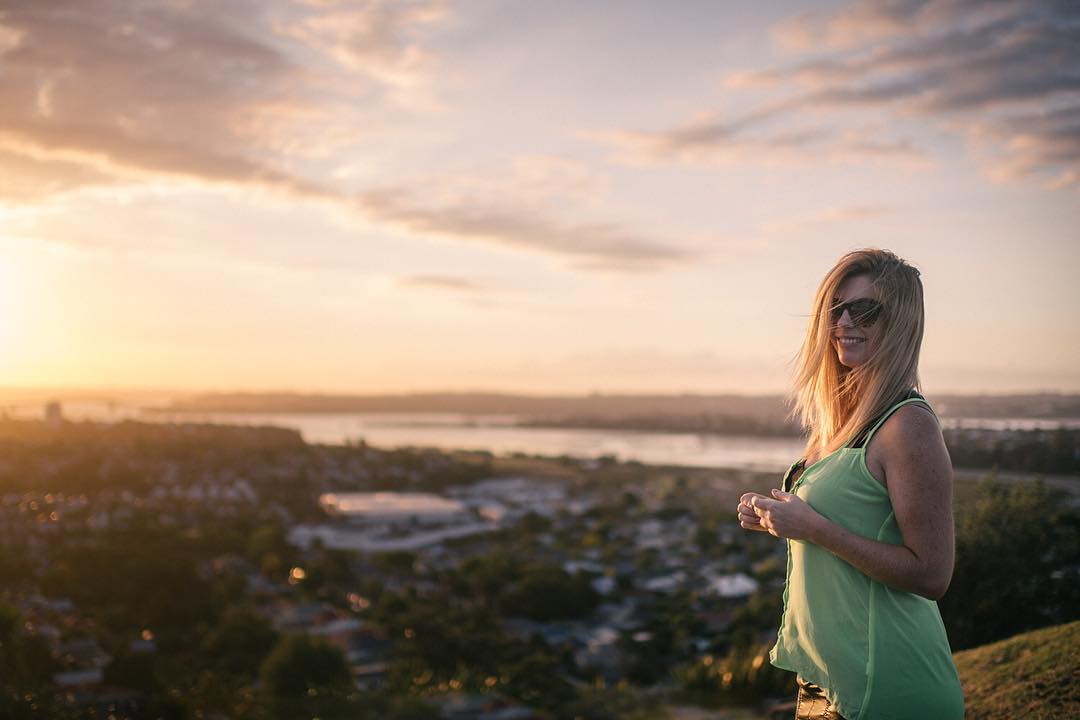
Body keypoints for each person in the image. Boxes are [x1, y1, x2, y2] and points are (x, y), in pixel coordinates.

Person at [737, 249, 964, 719]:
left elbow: (932, 574)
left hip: (885, 684)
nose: (842, 321)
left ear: (899, 322)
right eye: (834, 308)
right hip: (824, 682)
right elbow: (846, 519)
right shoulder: (839, 422)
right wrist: (778, 518)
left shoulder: (908, 426)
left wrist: (815, 528)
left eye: (863, 309)